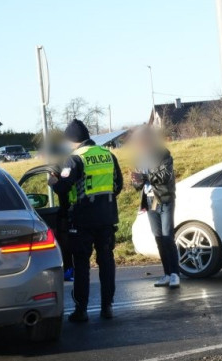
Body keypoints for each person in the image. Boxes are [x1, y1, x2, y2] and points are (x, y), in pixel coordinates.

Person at [49, 119, 123, 322]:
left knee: (81, 265)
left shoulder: (75, 159)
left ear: (71, 140)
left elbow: (62, 188)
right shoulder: (108, 155)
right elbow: (117, 185)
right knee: (106, 262)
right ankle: (107, 307)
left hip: (82, 220)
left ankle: (81, 310)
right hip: (107, 218)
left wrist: (53, 181)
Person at [130, 126, 180, 288]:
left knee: (168, 237)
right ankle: (167, 274)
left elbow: (165, 175)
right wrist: (136, 181)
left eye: (140, 141)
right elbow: (138, 184)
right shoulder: (139, 158)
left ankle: (175, 274)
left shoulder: (162, 153)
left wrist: (144, 177)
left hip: (164, 199)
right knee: (159, 238)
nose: (138, 144)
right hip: (149, 201)